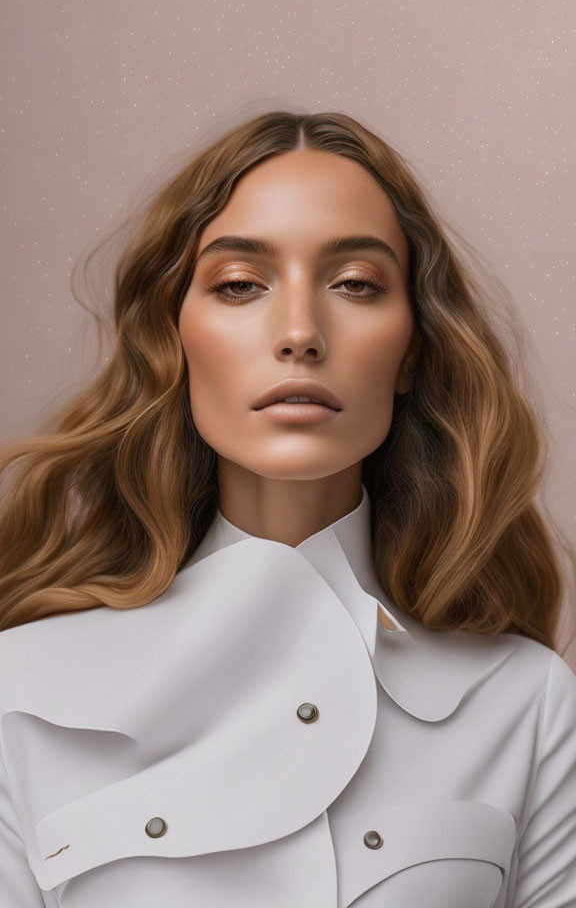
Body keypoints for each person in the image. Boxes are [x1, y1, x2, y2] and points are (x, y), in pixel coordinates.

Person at [0, 109, 575, 907]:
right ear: (175, 338)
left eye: (355, 285)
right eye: (239, 284)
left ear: (412, 350)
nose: (300, 333)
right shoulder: (21, 697)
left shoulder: (525, 703)